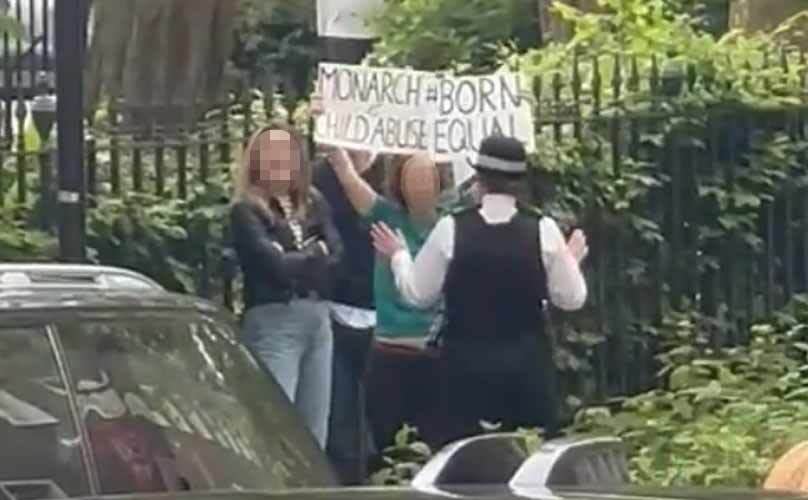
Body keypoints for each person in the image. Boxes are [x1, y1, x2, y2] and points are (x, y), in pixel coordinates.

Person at [371, 135, 588, 444]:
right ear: (519, 181)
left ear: (480, 178)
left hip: (464, 368)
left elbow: (417, 294)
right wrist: (570, 261)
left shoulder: (451, 228)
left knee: (465, 462)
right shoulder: (543, 229)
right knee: (526, 458)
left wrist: (399, 256)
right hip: (526, 370)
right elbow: (571, 298)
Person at [230, 124, 343, 448]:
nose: (280, 160)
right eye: (271, 153)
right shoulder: (246, 210)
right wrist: (314, 252)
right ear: (256, 162)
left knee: (314, 431)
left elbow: (337, 254)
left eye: (287, 153)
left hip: (317, 317)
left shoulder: (314, 201)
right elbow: (274, 267)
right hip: (275, 319)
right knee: (277, 430)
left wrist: (299, 256)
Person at [327, 147, 443, 446]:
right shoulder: (387, 216)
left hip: (436, 352)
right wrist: (330, 130)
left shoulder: (450, 224)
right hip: (391, 350)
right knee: (387, 443)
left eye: (426, 177)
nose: (420, 185)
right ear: (399, 184)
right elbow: (349, 180)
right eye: (412, 178)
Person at [312, 148, 381, 484]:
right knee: (338, 422)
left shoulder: (398, 171)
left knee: (379, 424)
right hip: (333, 309)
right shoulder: (318, 178)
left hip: (385, 315)